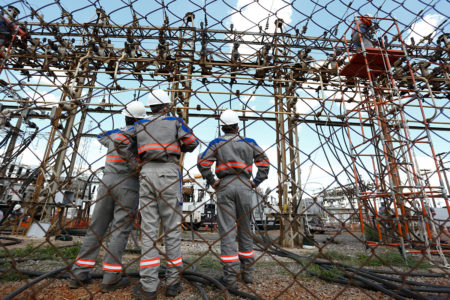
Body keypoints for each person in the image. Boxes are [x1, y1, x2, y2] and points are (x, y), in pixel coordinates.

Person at [119, 90, 199, 299]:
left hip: (145, 172)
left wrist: (135, 162)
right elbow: (192, 142)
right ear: (165, 106)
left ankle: (149, 286)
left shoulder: (139, 125)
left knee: (149, 231)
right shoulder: (174, 121)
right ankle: (173, 284)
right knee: (172, 229)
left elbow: (121, 143)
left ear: (151, 107)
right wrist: (177, 145)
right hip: (169, 172)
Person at [69, 101, 146, 292]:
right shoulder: (142, 134)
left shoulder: (114, 135)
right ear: (140, 118)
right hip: (128, 183)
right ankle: (110, 278)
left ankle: (79, 274)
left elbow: (99, 135)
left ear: (125, 116)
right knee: (120, 230)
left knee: (96, 228)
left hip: (106, 182)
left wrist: (121, 129)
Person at [197, 109, 270, 289]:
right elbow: (264, 162)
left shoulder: (217, 143)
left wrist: (212, 181)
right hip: (245, 185)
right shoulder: (249, 142)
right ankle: (248, 274)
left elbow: (202, 162)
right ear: (238, 126)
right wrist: (255, 182)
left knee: (228, 232)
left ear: (222, 128)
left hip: (226, 185)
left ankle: (229, 277)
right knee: (246, 229)